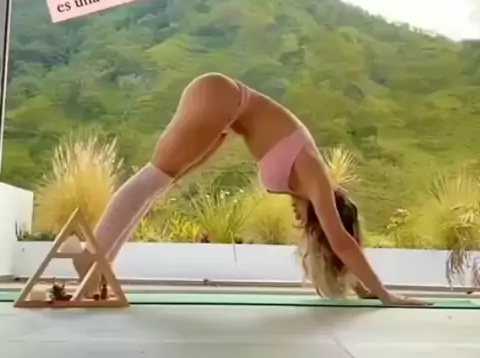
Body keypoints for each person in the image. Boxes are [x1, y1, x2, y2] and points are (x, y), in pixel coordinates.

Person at [68, 72, 427, 306]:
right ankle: (91, 258)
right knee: (153, 177)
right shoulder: (318, 180)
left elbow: (342, 247)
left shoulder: (308, 185)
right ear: (325, 215)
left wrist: (363, 288)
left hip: (228, 113)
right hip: (224, 98)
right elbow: (342, 243)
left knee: (159, 183)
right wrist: (385, 294)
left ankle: (99, 266)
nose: (299, 219)